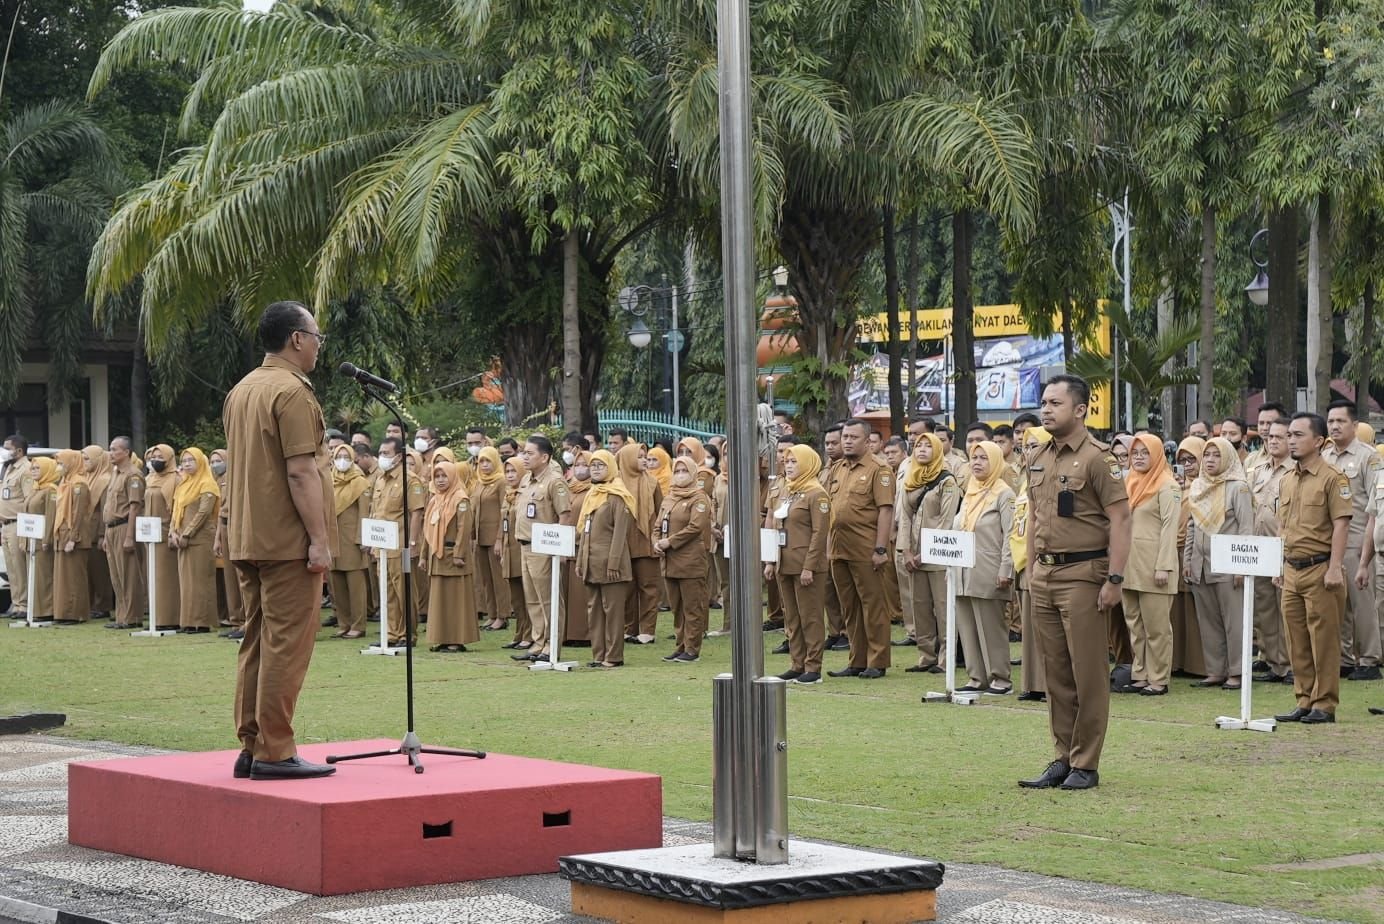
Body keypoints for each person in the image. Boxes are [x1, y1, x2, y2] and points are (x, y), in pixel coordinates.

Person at [221, 300, 336, 780]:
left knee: (258, 642)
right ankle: (274, 750)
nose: (316, 345)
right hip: (287, 542)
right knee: (286, 645)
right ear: (296, 339)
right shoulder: (292, 393)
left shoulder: (242, 389)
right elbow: (301, 470)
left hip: (249, 536)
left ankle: (251, 744)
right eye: (315, 336)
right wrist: (319, 539)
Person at [1020, 374, 1129, 792]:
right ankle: (1063, 757)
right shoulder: (1038, 456)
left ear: (1080, 409)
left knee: (1088, 675)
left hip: (1084, 575)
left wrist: (1115, 579)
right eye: (1044, 403)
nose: (1046, 409)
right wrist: (1032, 568)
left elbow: (1121, 519)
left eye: (1055, 403)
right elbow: (1033, 516)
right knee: (1056, 674)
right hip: (1045, 575)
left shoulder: (1100, 458)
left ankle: (1086, 762)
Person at [1274, 412, 1351, 725]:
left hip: (1320, 568)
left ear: (1319, 441)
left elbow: (1341, 524)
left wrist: (1335, 568)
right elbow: (1282, 525)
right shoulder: (1287, 479)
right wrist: (1279, 563)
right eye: (1289, 434)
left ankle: (1324, 703)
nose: (1291, 440)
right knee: (1296, 639)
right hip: (1292, 569)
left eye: (1298, 434)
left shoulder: (1333, 478)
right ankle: (1304, 699)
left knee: (1324, 641)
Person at [1183, 437, 1254, 691]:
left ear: (1227, 458)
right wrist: (1188, 560)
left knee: (1234, 621)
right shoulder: (1199, 486)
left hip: (1228, 565)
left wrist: (1241, 567)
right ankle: (1215, 671)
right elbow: (1192, 526)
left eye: (1216, 455)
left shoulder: (1238, 488)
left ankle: (1237, 672)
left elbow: (1246, 528)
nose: (1210, 460)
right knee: (1208, 621)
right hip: (1201, 564)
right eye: (1207, 455)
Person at [827, 418, 896, 679]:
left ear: (868, 441)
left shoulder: (880, 469)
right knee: (850, 607)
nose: (846, 441)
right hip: (839, 548)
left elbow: (885, 510)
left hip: (866, 547)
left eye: (853, 437)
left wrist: (880, 548)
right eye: (845, 436)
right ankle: (857, 659)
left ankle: (877, 661)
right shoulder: (838, 468)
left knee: (873, 605)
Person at [1321, 399, 1382, 681]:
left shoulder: (1368, 457)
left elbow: (1375, 505)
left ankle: (1369, 659)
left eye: (1340, 421)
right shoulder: (1325, 456)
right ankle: (1344, 658)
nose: (1334, 426)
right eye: (1331, 421)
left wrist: (1368, 550)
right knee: (1338, 602)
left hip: (1359, 538)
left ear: (1354, 425)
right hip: (1332, 540)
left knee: (1363, 603)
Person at [1118, 433, 1181, 696]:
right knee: (1135, 624)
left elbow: (1170, 528)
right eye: (1135, 453)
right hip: (1129, 566)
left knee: (1156, 628)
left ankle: (1159, 679)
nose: (1139, 458)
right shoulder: (1129, 482)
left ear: (1157, 455)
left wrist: (1164, 566)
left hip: (1155, 566)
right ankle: (1140, 674)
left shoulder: (1168, 485)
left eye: (1145, 453)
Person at [954, 440, 1016, 695]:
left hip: (989, 570)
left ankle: (1000, 678)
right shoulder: (970, 491)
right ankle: (976, 677)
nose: (977, 463)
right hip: (963, 570)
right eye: (974, 458)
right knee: (967, 627)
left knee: (991, 627)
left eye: (983, 458)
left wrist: (1006, 568)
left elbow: (1011, 534)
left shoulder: (1004, 494)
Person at [765, 444, 830, 684]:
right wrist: (771, 561)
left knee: (810, 617)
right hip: (785, 564)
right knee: (791, 617)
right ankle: (797, 663)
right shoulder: (788, 492)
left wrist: (809, 566)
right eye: (788, 461)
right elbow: (776, 527)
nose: (789, 466)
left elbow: (819, 533)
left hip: (806, 566)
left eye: (795, 462)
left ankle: (813, 667)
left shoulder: (817, 493)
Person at [898, 432, 961, 675]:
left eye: (927, 446)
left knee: (944, 608)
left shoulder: (948, 481)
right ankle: (926, 656)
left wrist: (926, 553)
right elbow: (904, 517)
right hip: (913, 555)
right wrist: (906, 551)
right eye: (917, 445)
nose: (922, 449)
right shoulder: (911, 479)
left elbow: (947, 521)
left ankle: (946, 659)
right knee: (920, 607)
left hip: (939, 554)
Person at [511, 435, 570, 663]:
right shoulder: (527, 480)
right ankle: (538, 643)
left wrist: (560, 549)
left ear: (544, 457)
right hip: (525, 545)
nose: (525, 457)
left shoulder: (555, 481)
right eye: (524, 452)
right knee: (533, 599)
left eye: (530, 453)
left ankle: (551, 645)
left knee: (549, 598)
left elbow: (564, 515)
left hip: (544, 547)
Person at [577, 449, 635, 668]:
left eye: (601, 465)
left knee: (613, 611)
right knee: (594, 611)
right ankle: (598, 654)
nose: (596, 469)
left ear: (610, 467)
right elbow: (585, 531)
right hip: (591, 563)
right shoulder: (592, 495)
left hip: (611, 565)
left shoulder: (617, 496)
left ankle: (613, 656)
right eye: (593, 465)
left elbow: (620, 534)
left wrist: (614, 563)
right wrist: (582, 562)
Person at [1248, 419, 1294, 683]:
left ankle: (1289, 664)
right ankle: (1273, 661)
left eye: (1280, 437)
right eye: (1270, 437)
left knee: (1285, 608)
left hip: (1284, 547)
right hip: (1259, 547)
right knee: (1264, 607)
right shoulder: (1259, 470)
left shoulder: (1294, 471)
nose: (1273, 441)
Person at [369, 437, 426, 646]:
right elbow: (375, 512)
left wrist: (412, 544)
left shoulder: (410, 480)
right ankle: (392, 634)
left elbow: (416, 513)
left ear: (399, 456)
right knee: (387, 592)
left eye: (386, 453)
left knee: (404, 591)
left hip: (400, 546)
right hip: (381, 547)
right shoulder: (381, 480)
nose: (382, 457)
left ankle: (408, 634)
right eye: (381, 452)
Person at [1011, 425, 1054, 700]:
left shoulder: (1050, 476)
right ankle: (1032, 683)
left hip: (1044, 560)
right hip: (1023, 559)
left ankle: (1048, 685)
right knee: (1029, 625)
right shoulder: (1027, 479)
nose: (1028, 452)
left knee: (1045, 627)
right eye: (1026, 447)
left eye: (1035, 445)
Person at [657, 456, 712, 663]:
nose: (680, 475)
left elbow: (695, 527)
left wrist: (669, 542)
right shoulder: (670, 497)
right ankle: (680, 645)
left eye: (684, 471)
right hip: (669, 562)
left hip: (689, 561)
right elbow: (657, 524)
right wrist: (657, 541)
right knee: (677, 607)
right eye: (677, 471)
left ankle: (692, 648)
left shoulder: (699, 498)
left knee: (692, 607)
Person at [423, 459, 477, 653]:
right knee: (440, 601)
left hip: (453, 556)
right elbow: (427, 530)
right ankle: (443, 638)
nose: (440, 480)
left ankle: (456, 639)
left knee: (456, 600)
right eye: (436, 476)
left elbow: (464, 529)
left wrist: (458, 554)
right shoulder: (435, 499)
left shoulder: (461, 499)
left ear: (453, 476)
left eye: (444, 475)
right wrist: (423, 556)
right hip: (437, 556)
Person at [170, 448, 221, 633]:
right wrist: (173, 532)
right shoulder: (183, 484)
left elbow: (203, 513)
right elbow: (175, 510)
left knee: (200, 581)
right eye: (184, 460)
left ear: (200, 461)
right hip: (182, 540)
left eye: (191, 460)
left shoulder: (208, 484)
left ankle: (202, 622)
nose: (187, 464)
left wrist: (187, 534)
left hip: (200, 539)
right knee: (187, 583)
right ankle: (189, 621)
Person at [617, 443, 662, 645]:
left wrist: (658, 538)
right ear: (627, 460)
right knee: (626, 589)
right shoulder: (616, 485)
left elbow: (661, 513)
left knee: (648, 587)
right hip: (624, 542)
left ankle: (647, 630)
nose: (644, 460)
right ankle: (629, 628)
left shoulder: (652, 483)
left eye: (645, 456)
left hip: (647, 542)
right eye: (639, 457)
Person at [101, 437, 146, 630]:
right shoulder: (115, 473)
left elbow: (135, 507)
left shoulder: (133, 475)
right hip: (111, 528)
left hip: (124, 526)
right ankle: (121, 616)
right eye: (110, 449)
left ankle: (132, 616)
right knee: (116, 575)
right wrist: (105, 534)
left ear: (126, 452)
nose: (110, 453)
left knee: (129, 574)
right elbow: (110, 506)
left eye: (114, 449)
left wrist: (129, 536)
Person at [326, 443, 370, 639]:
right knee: (336, 584)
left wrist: (362, 538)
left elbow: (364, 513)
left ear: (353, 459)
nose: (341, 460)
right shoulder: (329, 480)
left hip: (352, 540)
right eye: (338, 456)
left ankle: (358, 624)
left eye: (346, 456)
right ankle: (343, 622)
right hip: (332, 539)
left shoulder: (360, 482)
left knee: (355, 585)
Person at [52, 449, 93, 625]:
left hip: (73, 536)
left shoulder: (79, 484)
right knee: (63, 577)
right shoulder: (64, 483)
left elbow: (78, 513)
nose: (59, 467)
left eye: (62, 463)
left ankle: (75, 613)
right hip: (62, 534)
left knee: (74, 576)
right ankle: (63, 612)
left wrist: (72, 537)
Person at [471, 447, 509, 632]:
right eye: (481, 462)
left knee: (498, 578)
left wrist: (500, 538)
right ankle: (491, 614)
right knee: (485, 579)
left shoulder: (501, 481)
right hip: (480, 538)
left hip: (495, 537)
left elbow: (505, 510)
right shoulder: (479, 482)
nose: (484, 465)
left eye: (488, 461)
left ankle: (503, 615)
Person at [144, 443, 182, 630]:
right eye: (153, 457)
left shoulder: (175, 479)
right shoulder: (150, 478)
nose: (155, 461)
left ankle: (170, 618)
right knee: (153, 576)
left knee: (166, 578)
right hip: (150, 533)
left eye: (160, 457)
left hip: (166, 532)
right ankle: (156, 618)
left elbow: (177, 506)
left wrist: (173, 530)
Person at [497, 457, 531, 650]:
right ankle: (520, 631)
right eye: (507, 471)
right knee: (516, 596)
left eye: (514, 471)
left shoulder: (525, 494)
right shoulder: (508, 495)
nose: (510, 475)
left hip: (521, 548)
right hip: (509, 549)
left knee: (527, 595)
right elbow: (504, 525)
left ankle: (529, 633)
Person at [210, 448, 243, 636]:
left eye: (219, 460)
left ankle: (246, 620)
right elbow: (221, 513)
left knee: (241, 578)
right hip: (224, 527)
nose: (216, 465)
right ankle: (235, 621)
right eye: (212, 461)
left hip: (237, 526)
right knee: (230, 579)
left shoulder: (236, 476)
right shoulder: (217, 481)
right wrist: (218, 540)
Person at [1, 435, 34, 619]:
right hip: (6, 525)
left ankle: (23, 605)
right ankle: (16, 603)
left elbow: (28, 500)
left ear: (19, 451)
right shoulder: (8, 468)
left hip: (17, 523)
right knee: (12, 569)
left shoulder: (26, 469)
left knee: (20, 567)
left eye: (8, 448)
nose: (5, 452)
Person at [82, 446, 115, 619]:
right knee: (89, 570)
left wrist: (103, 534)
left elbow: (105, 510)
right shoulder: (87, 478)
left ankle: (103, 605)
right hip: (86, 531)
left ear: (98, 460)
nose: (84, 462)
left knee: (100, 571)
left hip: (97, 531)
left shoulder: (105, 480)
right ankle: (92, 604)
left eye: (87, 458)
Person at [25, 457, 59, 621]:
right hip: (31, 539)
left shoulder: (50, 490)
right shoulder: (35, 489)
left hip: (42, 540)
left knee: (44, 576)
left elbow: (50, 516)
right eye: (32, 468)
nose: (34, 471)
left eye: (38, 468)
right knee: (34, 577)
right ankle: (36, 610)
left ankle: (47, 610)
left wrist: (47, 539)